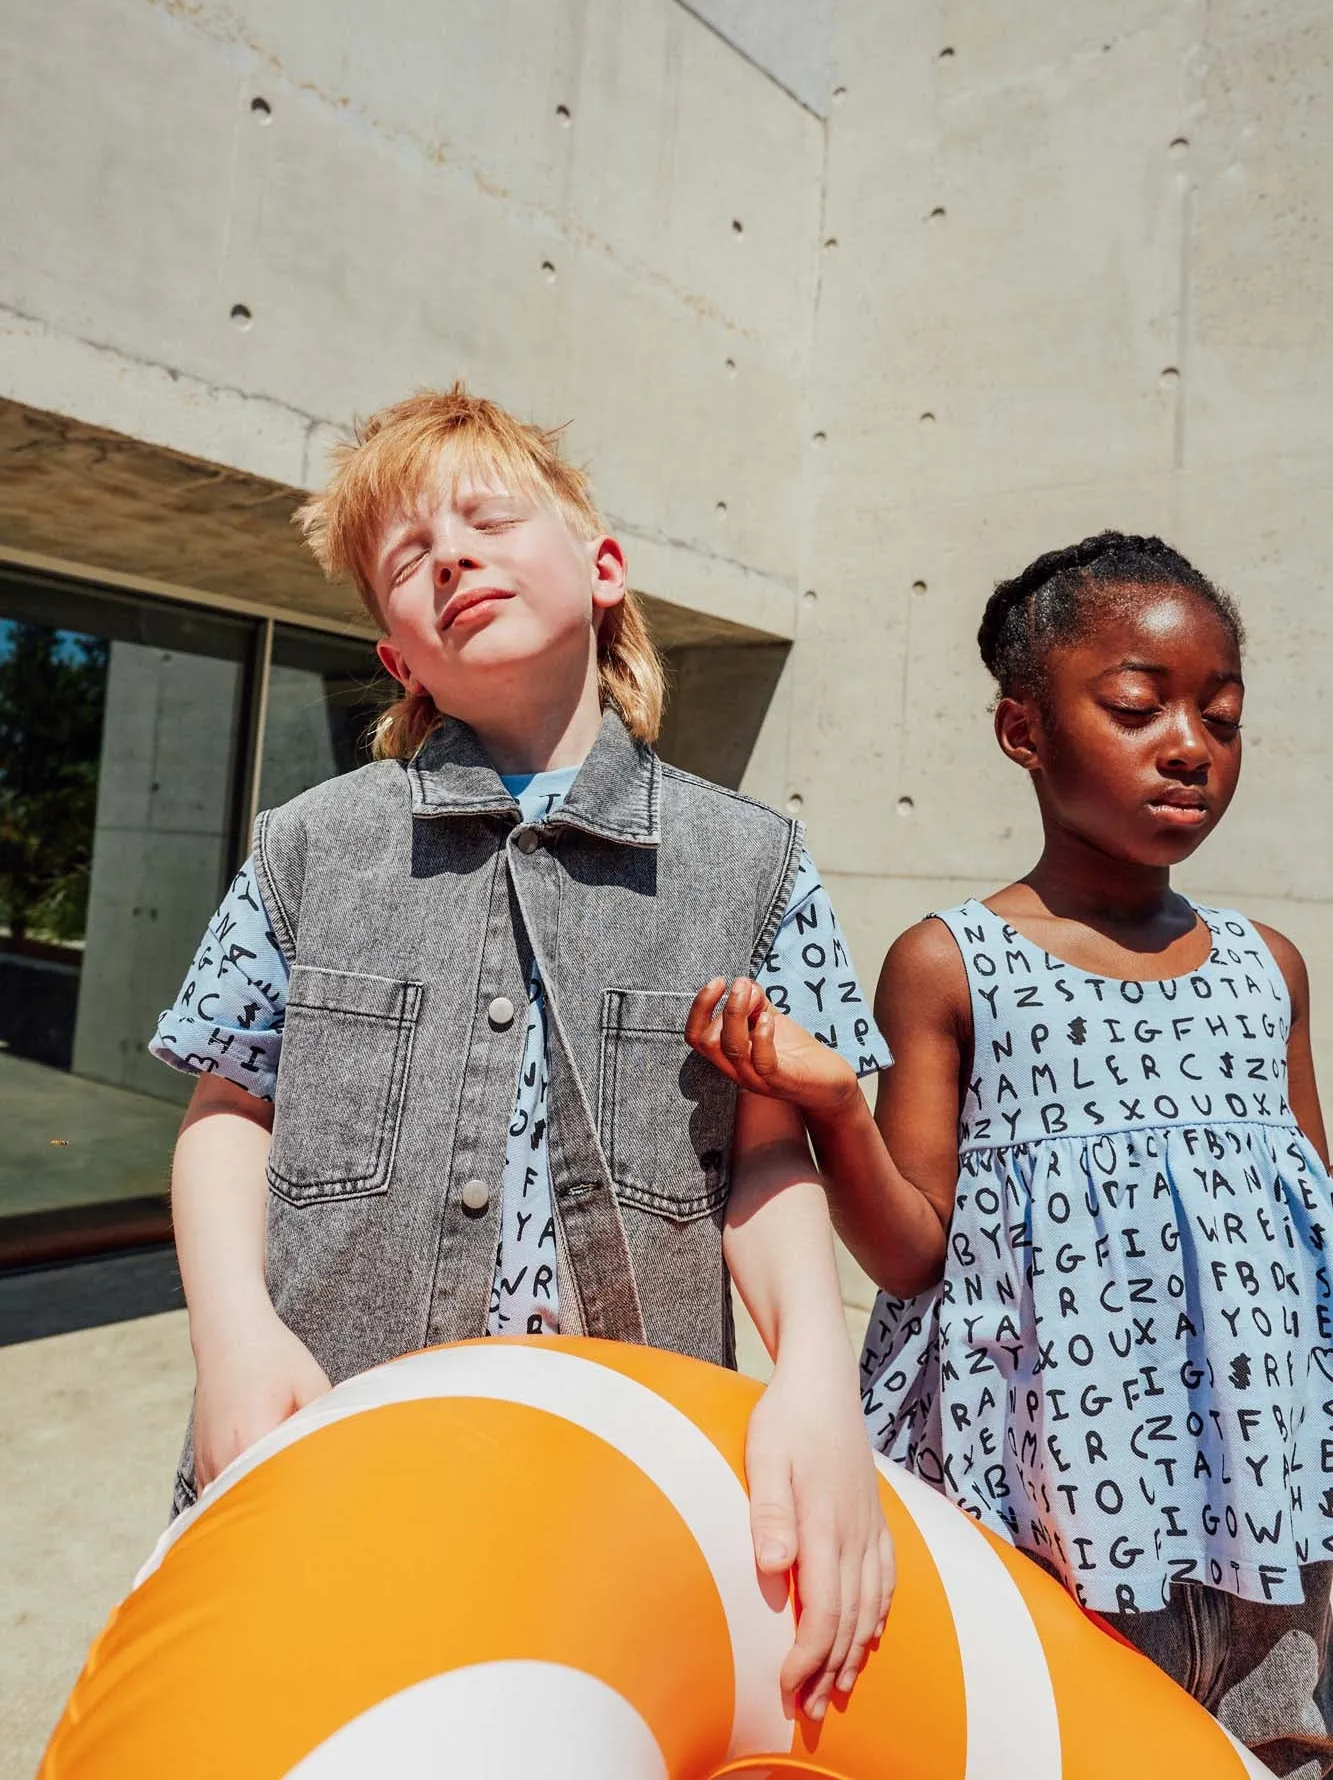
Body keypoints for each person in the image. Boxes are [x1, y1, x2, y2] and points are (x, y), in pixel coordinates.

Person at [152, 384, 894, 1722]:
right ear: (399, 659)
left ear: (603, 571)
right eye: (408, 560)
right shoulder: (308, 844)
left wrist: (814, 1387)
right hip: (326, 1442)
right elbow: (227, 1107)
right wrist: (232, 1338)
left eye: (487, 520)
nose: (450, 557)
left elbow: (764, 1164)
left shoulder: (753, 865)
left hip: (620, 1479)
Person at [686, 531, 1333, 1773]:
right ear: (1023, 731)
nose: (1190, 745)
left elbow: (1306, 1245)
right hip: (1056, 1519)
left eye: (1223, 715)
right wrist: (833, 1107)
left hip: (1271, 1531)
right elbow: (913, 1250)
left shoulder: (1271, 968)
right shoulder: (950, 964)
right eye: (1139, 708)